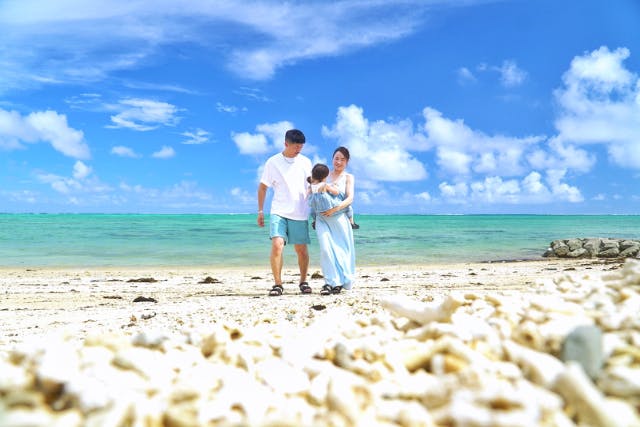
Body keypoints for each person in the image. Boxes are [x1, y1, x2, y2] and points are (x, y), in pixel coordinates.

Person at [257, 129, 313, 296]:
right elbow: (263, 187)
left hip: (300, 211)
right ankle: (278, 284)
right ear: (285, 144)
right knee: (277, 245)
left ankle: (303, 281)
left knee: (301, 249)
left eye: (301, 147)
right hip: (279, 210)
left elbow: (312, 185)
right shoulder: (272, 162)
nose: (298, 150)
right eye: (296, 146)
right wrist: (260, 211)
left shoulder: (305, 162)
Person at [314, 146, 356, 295]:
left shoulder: (348, 177)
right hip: (322, 219)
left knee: (341, 251)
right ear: (332, 159)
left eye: (342, 159)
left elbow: (350, 198)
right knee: (326, 249)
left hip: (339, 219)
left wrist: (335, 209)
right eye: (336, 158)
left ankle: (339, 283)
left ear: (347, 162)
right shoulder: (324, 174)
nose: (338, 162)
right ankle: (330, 282)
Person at [308, 163, 359, 230]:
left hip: (318, 209)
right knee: (348, 207)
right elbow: (336, 193)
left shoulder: (311, 186)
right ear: (325, 177)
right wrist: (333, 186)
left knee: (312, 209)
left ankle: (315, 221)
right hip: (329, 207)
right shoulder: (325, 185)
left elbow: (308, 193)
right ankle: (351, 222)